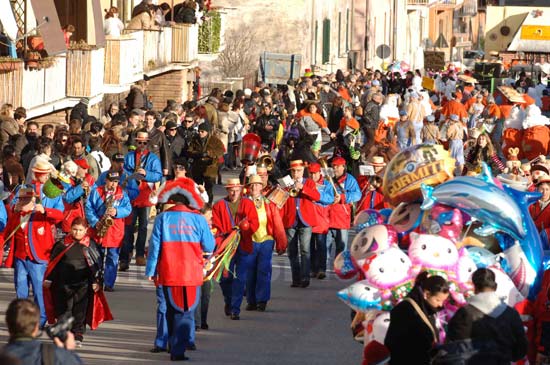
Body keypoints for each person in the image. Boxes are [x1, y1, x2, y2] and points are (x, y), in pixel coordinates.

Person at [146, 178, 215, 361]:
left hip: (168, 272)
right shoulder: (199, 219)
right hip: (191, 273)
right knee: (186, 310)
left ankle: (171, 342)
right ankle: (178, 349)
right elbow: (209, 245)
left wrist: (151, 271)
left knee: (170, 309)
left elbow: (154, 248)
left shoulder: (162, 218)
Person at [4, 168, 64, 327]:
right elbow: (6, 233)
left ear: (33, 201)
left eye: (25, 200)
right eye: (20, 200)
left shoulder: (42, 214)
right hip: (20, 259)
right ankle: (21, 319)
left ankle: (42, 319)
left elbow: (60, 216)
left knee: (39, 291)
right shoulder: (16, 216)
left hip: (39, 259)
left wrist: (45, 210)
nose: (22, 202)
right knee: (21, 292)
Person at [43, 218, 106, 347]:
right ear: (70, 229)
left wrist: (97, 281)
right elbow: (53, 264)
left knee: (80, 310)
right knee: (64, 309)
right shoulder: (61, 244)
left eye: (80, 230)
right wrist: (49, 278)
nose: (77, 233)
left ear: (86, 230)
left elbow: (96, 265)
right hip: (62, 284)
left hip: (83, 284)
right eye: (75, 229)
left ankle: (77, 334)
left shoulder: (90, 244)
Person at [445, 268, 528, 364]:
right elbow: (521, 347)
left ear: (474, 286)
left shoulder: (464, 314)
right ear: (495, 286)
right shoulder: (511, 314)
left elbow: (453, 348)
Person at [212, 178, 259, 319]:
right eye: (231, 190)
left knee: (240, 278)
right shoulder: (219, 206)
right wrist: (222, 239)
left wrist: (246, 227)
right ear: (227, 190)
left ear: (241, 190)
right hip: (226, 246)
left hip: (243, 244)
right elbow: (215, 227)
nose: (234, 192)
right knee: (225, 277)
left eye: (236, 190)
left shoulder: (247, 204)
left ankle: (235, 309)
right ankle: (229, 300)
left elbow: (254, 223)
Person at [385, 272, 450, 365]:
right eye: (438, 300)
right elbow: (397, 343)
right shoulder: (406, 310)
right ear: (426, 294)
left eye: (443, 301)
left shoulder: (428, 308)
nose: (440, 304)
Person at [120, 131, 162, 270]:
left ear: (148, 143)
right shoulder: (130, 156)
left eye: (144, 143)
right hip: (131, 196)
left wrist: (146, 174)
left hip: (145, 197)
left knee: (143, 227)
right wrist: (131, 175)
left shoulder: (153, 158)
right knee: (128, 228)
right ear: (136, 143)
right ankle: (125, 257)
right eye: (139, 142)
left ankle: (139, 255)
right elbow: (124, 172)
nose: (142, 145)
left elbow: (158, 175)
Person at [244, 175, 287, 311]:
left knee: (264, 271)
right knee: (250, 273)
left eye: (257, 185)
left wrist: (281, 243)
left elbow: (277, 223)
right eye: (252, 185)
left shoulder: (268, 203)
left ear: (262, 187)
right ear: (249, 188)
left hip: (266, 240)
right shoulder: (244, 203)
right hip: (250, 242)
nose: (255, 187)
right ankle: (251, 300)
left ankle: (262, 300)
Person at [85, 171, 132, 291]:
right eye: (111, 181)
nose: (113, 184)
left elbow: (128, 209)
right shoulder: (97, 191)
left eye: (116, 181)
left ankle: (109, 283)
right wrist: (95, 222)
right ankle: (97, 281)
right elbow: (88, 208)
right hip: (98, 229)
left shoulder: (122, 194)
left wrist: (116, 212)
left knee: (113, 257)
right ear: (106, 180)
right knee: (97, 257)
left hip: (115, 230)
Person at [2, 299, 83, 365]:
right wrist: (67, 353)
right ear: (37, 326)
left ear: (8, 325)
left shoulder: (4, 356)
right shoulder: (53, 355)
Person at [280, 160, 320, 288]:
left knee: (305, 250)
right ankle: (295, 279)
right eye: (294, 171)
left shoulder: (309, 182)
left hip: (305, 220)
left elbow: (317, 197)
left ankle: (305, 278)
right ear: (290, 172)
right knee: (292, 251)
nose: (296, 173)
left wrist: (303, 188)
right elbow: (280, 201)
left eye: (298, 171)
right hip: (290, 220)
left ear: (303, 171)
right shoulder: (286, 183)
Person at [326, 157, 361, 263]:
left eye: (337, 166)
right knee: (324, 248)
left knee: (341, 248)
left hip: (341, 219)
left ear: (343, 167)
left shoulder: (349, 179)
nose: (335, 168)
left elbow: (357, 195)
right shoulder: (327, 178)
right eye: (333, 166)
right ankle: (321, 269)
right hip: (327, 217)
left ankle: (341, 268)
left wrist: (343, 197)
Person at [187, 122, 224, 203]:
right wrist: (198, 154)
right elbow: (189, 151)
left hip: (210, 167)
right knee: (197, 188)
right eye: (199, 131)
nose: (200, 133)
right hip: (197, 166)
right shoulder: (195, 139)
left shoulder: (215, 140)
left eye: (202, 131)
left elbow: (221, 151)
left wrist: (209, 153)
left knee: (209, 188)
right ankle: (198, 204)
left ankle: (209, 205)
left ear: (207, 132)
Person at [308, 162, 334, 279]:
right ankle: (312, 269)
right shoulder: (307, 183)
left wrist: (316, 196)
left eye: (315, 173)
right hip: (309, 219)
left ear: (319, 173)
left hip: (321, 220)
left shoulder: (327, 184)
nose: (313, 176)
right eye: (311, 174)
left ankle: (322, 269)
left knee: (321, 245)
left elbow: (330, 199)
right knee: (310, 246)